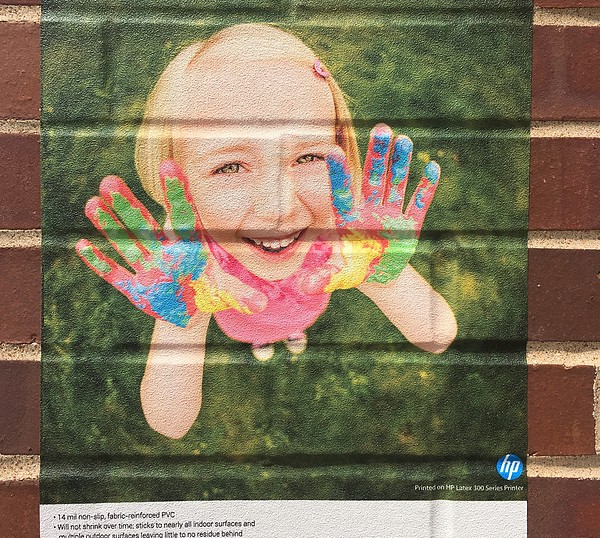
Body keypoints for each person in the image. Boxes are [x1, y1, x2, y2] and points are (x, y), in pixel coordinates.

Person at [76, 24, 457, 439]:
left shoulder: (344, 245)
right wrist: (188, 312)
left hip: (307, 305)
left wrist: (381, 274)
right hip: (238, 319)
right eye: (230, 167)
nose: (279, 209)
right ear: (181, 187)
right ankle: (262, 340)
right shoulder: (189, 260)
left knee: (296, 322)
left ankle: (292, 333)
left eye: (308, 157)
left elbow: (438, 336)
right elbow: (170, 422)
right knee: (254, 329)